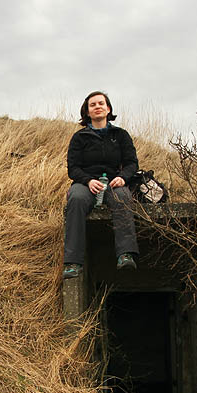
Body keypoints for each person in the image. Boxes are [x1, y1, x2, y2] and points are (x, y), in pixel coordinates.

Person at [63, 90, 139, 279]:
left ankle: (125, 255)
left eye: (101, 103)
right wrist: (88, 181)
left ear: (108, 109)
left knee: (122, 197)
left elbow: (132, 163)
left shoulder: (120, 135)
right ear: (87, 112)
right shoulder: (79, 138)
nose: (97, 107)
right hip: (86, 182)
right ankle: (73, 263)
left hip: (114, 182)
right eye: (93, 105)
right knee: (76, 199)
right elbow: (73, 168)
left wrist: (123, 177)